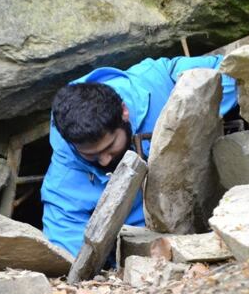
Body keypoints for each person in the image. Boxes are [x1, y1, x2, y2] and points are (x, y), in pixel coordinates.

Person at [41, 55, 238, 258]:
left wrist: (192, 118)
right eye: (91, 155)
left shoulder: (158, 80)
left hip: (215, 211)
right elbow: (66, 246)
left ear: (124, 112)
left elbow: (230, 72)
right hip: (142, 251)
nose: (105, 161)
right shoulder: (65, 171)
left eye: (109, 147)